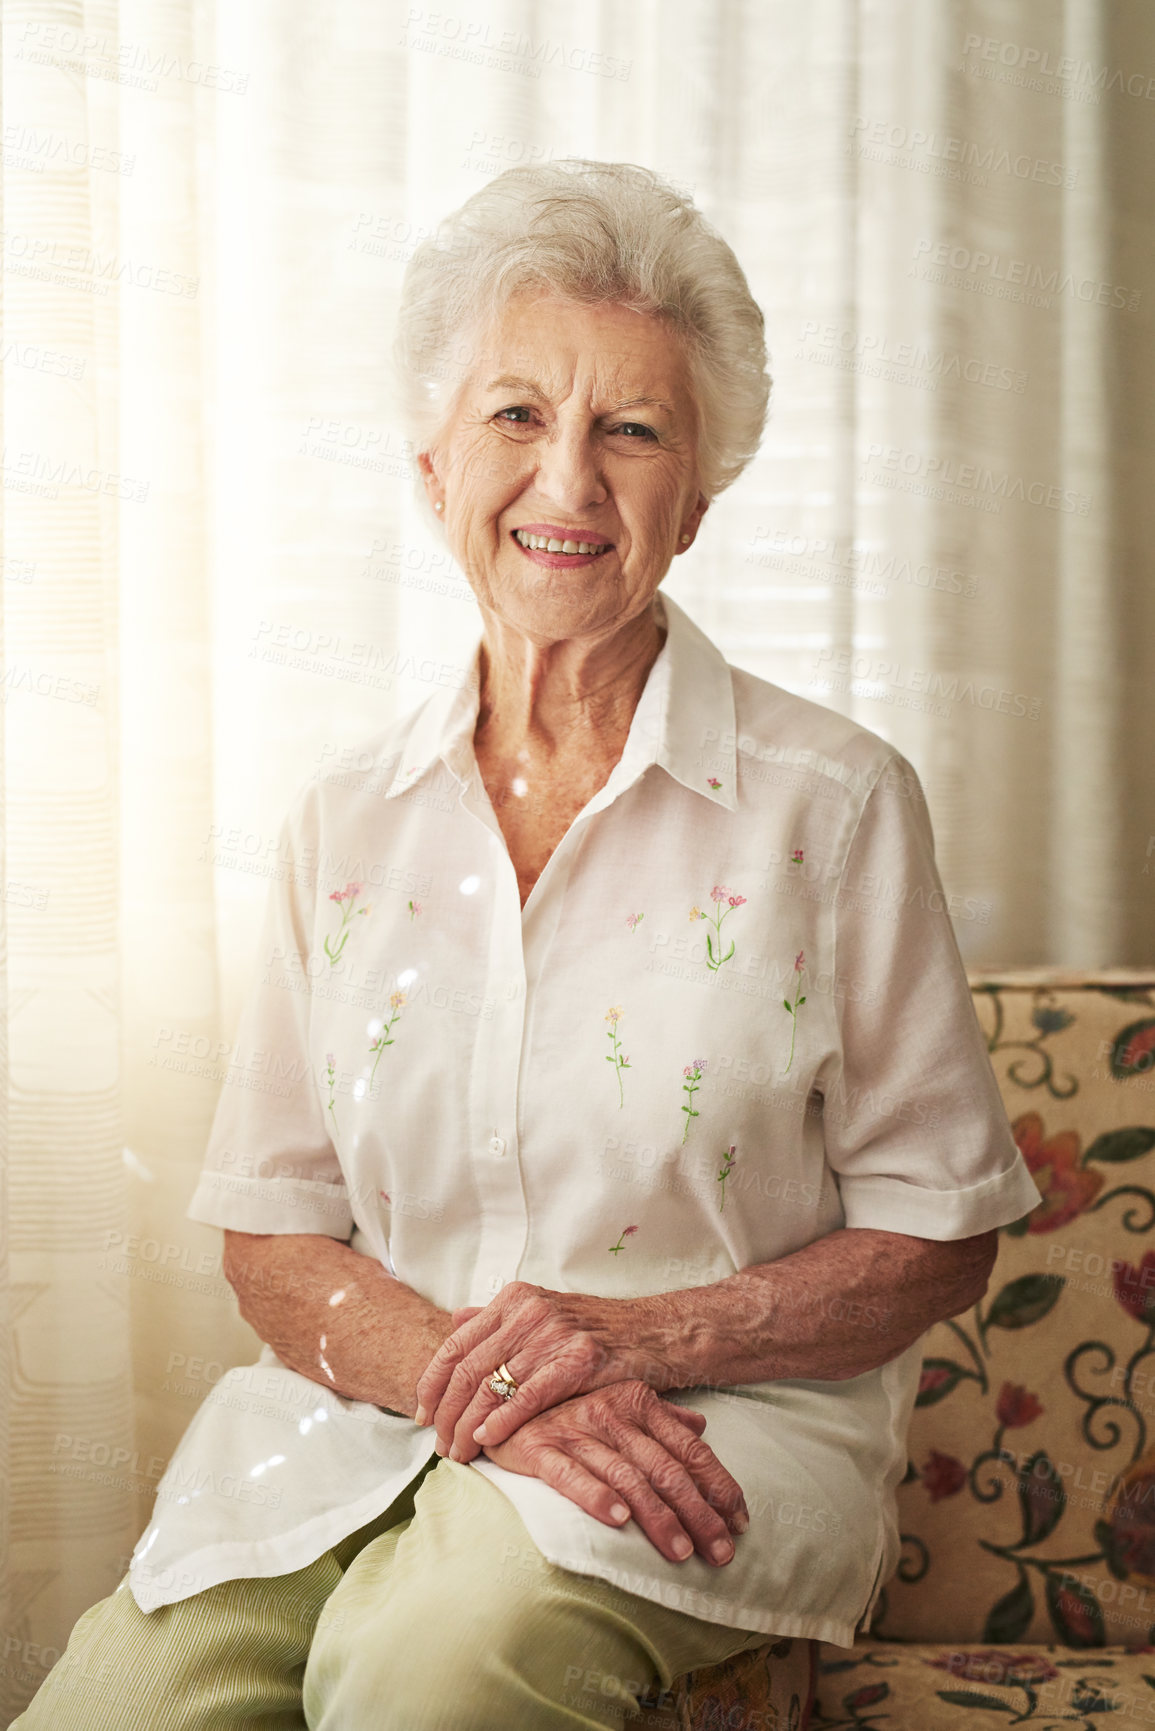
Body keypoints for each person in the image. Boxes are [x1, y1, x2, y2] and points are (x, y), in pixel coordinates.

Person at [14, 159, 1041, 1731]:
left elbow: (941, 1227)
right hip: (373, 1417)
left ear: (696, 499)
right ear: (431, 466)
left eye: (632, 429)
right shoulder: (341, 822)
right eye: (516, 416)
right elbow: (273, 1231)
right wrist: (472, 1374)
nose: (568, 481)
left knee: (431, 1666)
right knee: (122, 1700)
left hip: (709, 1430)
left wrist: (632, 1337)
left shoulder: (833, 807)